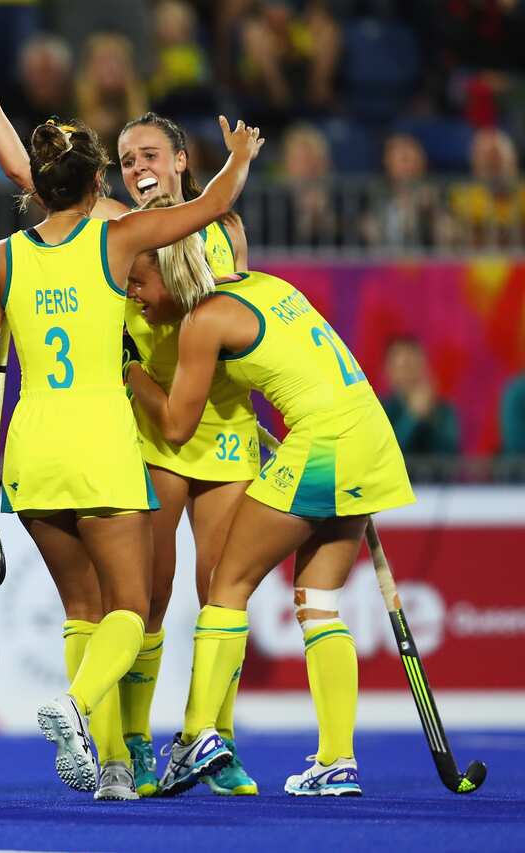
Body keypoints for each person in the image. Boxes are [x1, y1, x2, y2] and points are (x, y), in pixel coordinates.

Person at [0, 14, 260, 797]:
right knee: (139, 603)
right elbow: (31, 168)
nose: (137, 166)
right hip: (134, 428)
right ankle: (123, 741)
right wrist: (240, 160)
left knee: (202, 592)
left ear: (177, 159)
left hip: (128, 434)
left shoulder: (17, 252)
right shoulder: (120, 228)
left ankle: (183, 743)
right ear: (102, 180)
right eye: (123, 160)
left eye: (150, 154)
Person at [125, 236, 415, 798]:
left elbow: (177, 427)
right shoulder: (267, 286)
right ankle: (337, 761)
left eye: (139, 282)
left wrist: (130, 368)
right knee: (318, 601)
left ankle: (197, 735)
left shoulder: (202, 321)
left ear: (174, 276)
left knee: (227, 584)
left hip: (324, 445)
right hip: (370, 435)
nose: (132, 294)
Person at [381, 337, 460, 458]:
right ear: (389, 371)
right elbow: (387, 453)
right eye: (402, 367)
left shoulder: (442, 410)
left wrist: (430, 417)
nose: (408, 374)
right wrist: (412, 418)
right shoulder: (381, 410)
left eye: (413, 366)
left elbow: (449, 456)